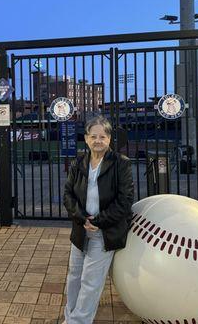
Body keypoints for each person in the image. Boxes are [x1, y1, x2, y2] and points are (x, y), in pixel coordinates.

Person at [62, 115, 134, 324]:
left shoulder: (121, 164)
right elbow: (68, 195)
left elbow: (125, 200)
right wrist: (82, 218)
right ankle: (70, 318)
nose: (98, 140)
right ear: (86, 139)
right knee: (74, 278)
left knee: (90, 282)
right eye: (93, 136)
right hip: (80, 230)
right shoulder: (79, 163)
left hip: (104, 233)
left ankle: (78, 322)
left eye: (103, 136)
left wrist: (98, 221)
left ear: (110, 139)